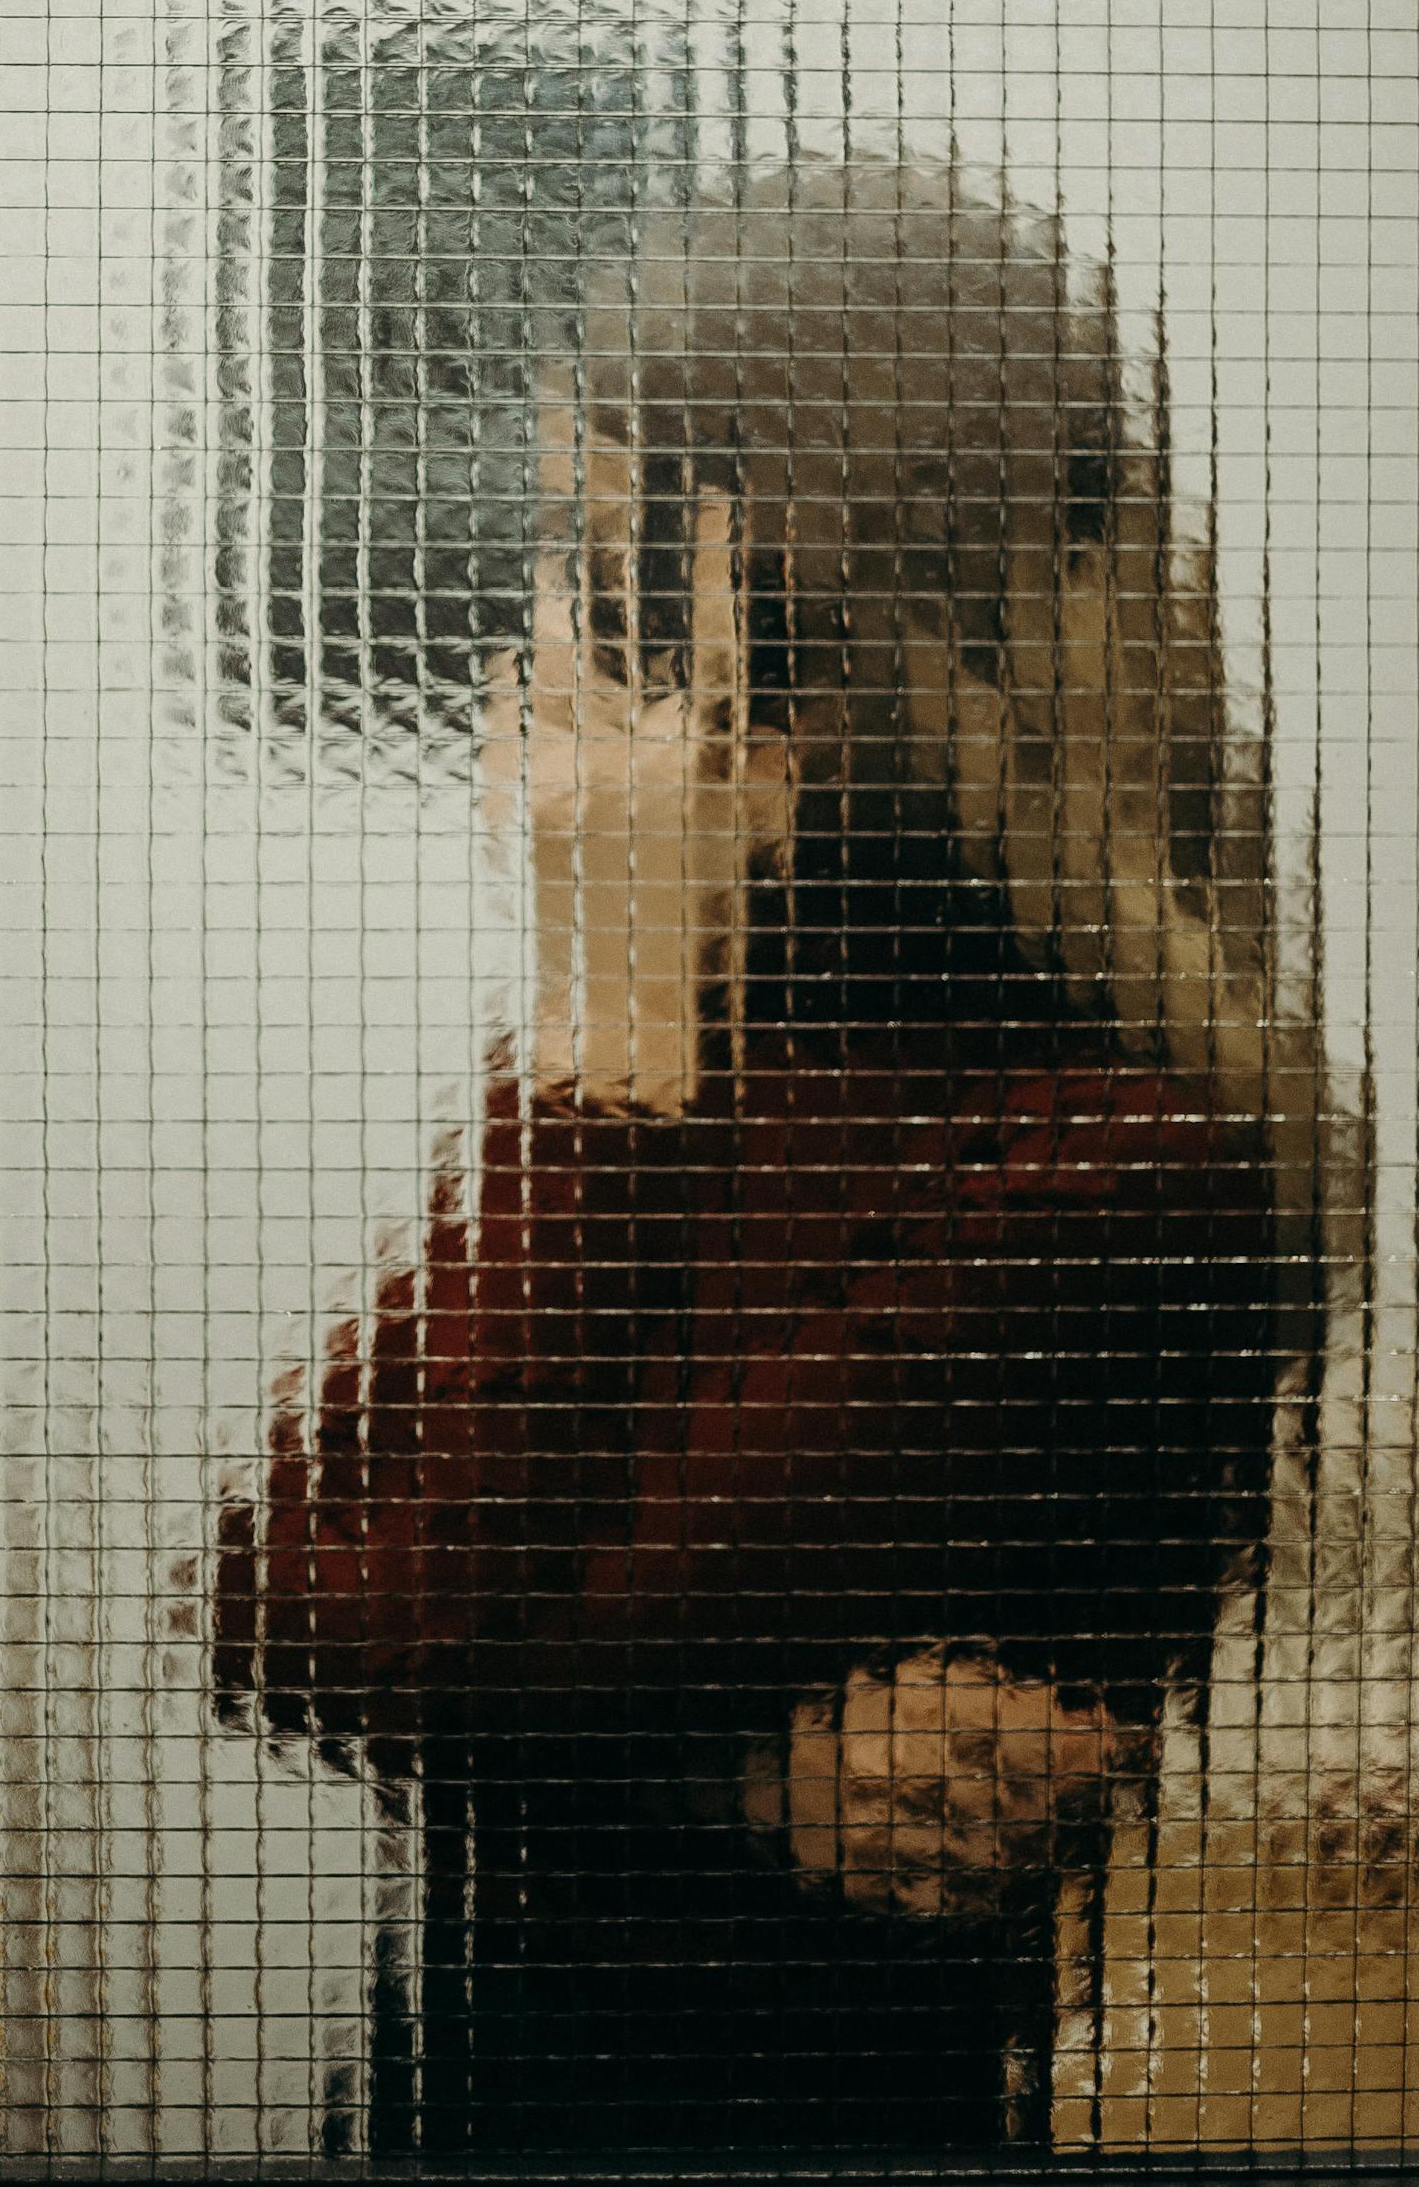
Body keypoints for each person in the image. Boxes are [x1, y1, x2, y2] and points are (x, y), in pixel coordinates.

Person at [214, 160, 1303, 2155]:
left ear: (800, 622)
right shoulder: (703, 1048)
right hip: (485, 2093)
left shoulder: (1112, 1159)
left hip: (774, 2119)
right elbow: (279, 1608)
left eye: (605, 562)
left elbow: (435, 1646)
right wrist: (721, 1775)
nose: (543, 645)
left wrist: (604, 1034)